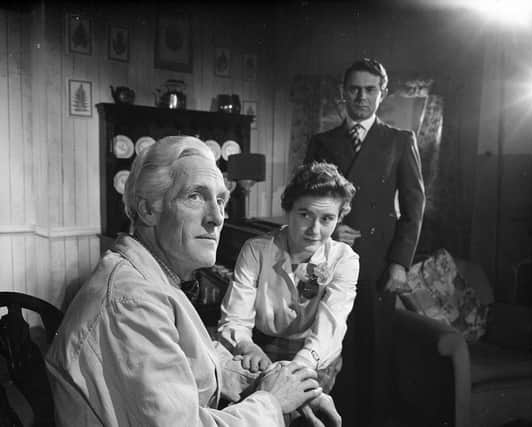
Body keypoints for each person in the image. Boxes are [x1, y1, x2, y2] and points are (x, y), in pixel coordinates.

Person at [46, 136, 341, 427]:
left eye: (221, 200)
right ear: (148, 209)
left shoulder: (150, 276)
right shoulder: (132, 301)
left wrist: (279, 380)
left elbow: (195, 363)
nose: (217, 217)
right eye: (195, 196)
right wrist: (272, 401)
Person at [304, 58, 426, 426]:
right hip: (329, 260)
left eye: (370, 89)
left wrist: (399, 263)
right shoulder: (321, 142)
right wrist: (328, 228)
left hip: (377, 264)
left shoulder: (400, 141)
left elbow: (414, 208)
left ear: (382, 94)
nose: (361, 96)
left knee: (376, 354)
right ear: (343, 93)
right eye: (354, 89)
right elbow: (305, 201)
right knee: (330, 347)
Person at [218, 161, 359, 395]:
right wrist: (246, 345)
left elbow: (329, 328)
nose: (314, 230)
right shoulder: (256, 250)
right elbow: (235, 317)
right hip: (261, 348)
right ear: (288, 209)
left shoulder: (345, 259)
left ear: (339, 218)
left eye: (327, 219)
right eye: (305, 215)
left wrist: (297, 367)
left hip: (316, 354)